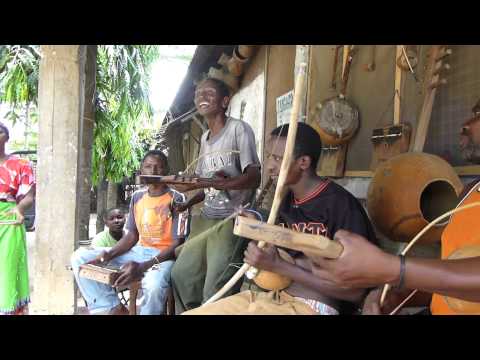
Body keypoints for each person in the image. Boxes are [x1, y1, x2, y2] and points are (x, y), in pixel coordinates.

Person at [183, 122, 377, 315]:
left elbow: (356, 292)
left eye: (277, 158)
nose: (270, 167)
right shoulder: (285, 201)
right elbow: (281, 255)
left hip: (311, 306)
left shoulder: (341, 205)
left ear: (303, 163)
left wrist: (280, 266)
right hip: (272, 298)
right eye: (268, 157)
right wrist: (256, 231)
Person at [309, 112, 480, 315]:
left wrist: (391, 269)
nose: (465, 125)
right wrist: (395, 295)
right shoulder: (469, 192)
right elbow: (452, 280)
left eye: (478, 115)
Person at [170, 77, 261, 313]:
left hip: (232, 218)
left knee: (216, 285)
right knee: (182, 274)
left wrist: (223, 183)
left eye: (209, 93)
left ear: (224, 101)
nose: (202, 97)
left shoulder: (238, 129)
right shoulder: (204, 138)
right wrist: (187, 201)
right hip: (207, 217)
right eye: (199, 94)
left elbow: (254, 177)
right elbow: (205, 184)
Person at [71, 150, 189, 315]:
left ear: (166, 170)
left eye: (159, 167)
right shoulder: (137, 197)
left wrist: (144, 266)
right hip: (139, 252)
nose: (153, 172)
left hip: (164, 257)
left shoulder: (178, 199)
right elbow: (132, 235)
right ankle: (112, 308)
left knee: (154, 286)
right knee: (80, 257)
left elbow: (178, 243)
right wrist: (108, 254)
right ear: (141, 171)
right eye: (148, 167)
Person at [0, 121, 36, 315]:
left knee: (7, 270)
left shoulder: (21, 164)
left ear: (6, 137)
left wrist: (20, 209)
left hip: (9, 220)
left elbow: (29, 195)